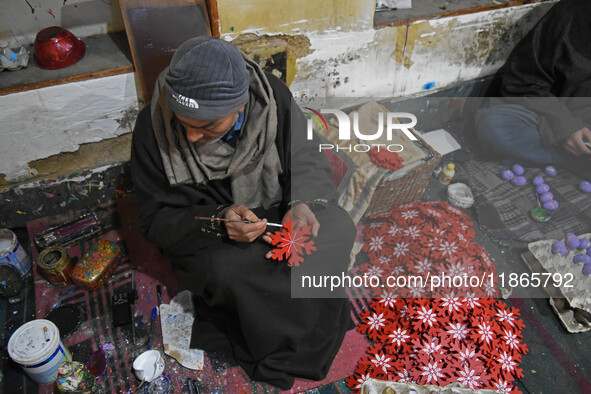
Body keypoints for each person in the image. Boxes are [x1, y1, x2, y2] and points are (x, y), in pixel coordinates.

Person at [130, 36, 356, 389]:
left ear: (240, 108)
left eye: (206, 127)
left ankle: (311, 327)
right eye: (183, 122)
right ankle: (271, 343)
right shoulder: (152, 127)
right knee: (230, 270)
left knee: (338, 228)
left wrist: (301, 203)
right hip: (206, 229)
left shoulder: (272, 98)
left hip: (276, 207)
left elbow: (307, 156)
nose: (189, 137)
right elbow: (155, 218)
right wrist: (217, 220)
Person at [474, 0, 591, 177]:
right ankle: (579, 160)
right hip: (547, 116)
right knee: (493, 127)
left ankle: (579, 158)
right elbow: (522, 81)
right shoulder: (571, 15)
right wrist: (566, 127)